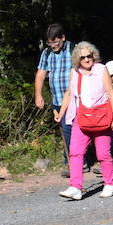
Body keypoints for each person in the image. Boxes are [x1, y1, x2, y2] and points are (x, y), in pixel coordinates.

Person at [58, 42, 113, 200]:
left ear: (94, 56)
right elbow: (69, 94)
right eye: (83, 57)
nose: (87, 59)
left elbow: (111, 94)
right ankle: (75, 187)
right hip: (81, 117)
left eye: (89, 56)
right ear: (77, 59)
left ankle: (110, 184)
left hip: (101, 117)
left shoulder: (101, 69)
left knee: (103, 153)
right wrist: (61, 113)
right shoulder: (74, 72)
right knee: (75, 152)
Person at [33, 23, 73, 176]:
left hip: (75, 99)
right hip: (57, 99)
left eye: (55, 42)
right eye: (50, 42)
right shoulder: (47, 53)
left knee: (73, 130)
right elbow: (41, 74)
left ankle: (75, 161)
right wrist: (38, 95)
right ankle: (71, 160)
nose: (53, 45)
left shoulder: (74, 50)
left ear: (63, 38)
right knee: (65, 130)